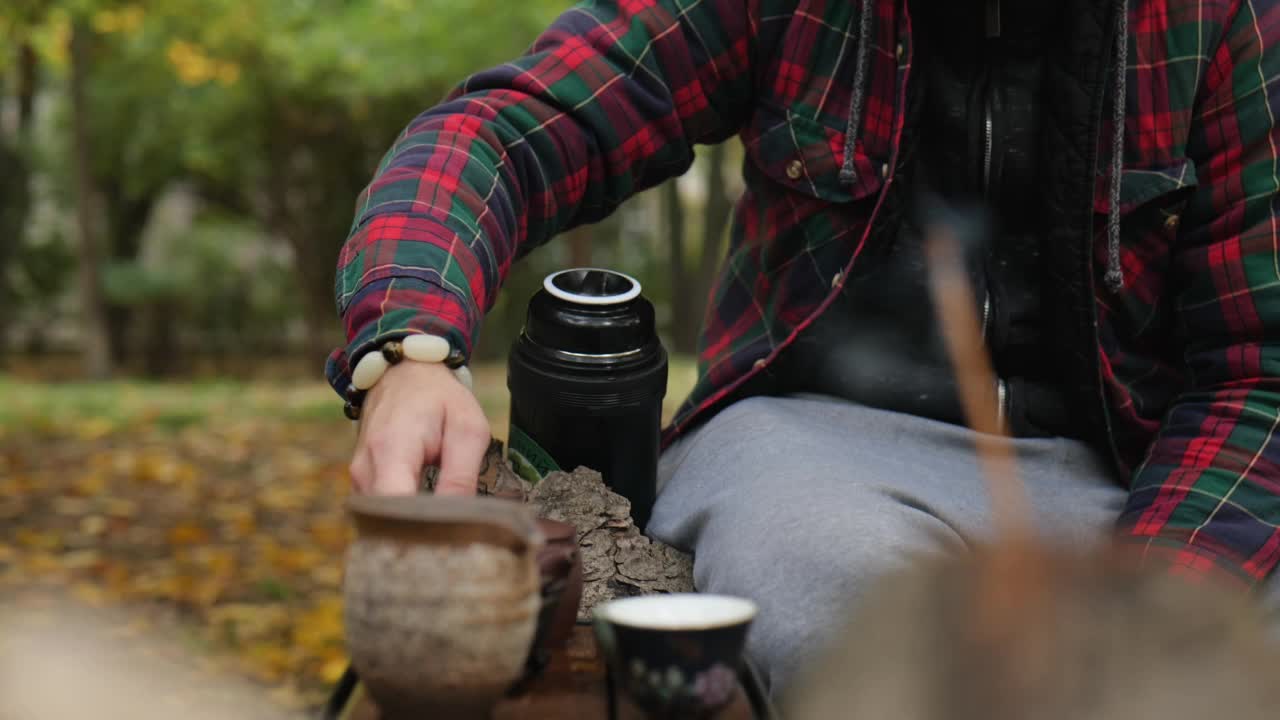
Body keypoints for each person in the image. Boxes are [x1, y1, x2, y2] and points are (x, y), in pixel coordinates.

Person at [330, 0, 1280, 696]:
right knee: (849, 614)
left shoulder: (1225, 20)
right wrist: (411, 351)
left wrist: (1148, 611)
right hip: (816, 455)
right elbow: (500, 132)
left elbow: (1261, 369)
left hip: (1140, 474)